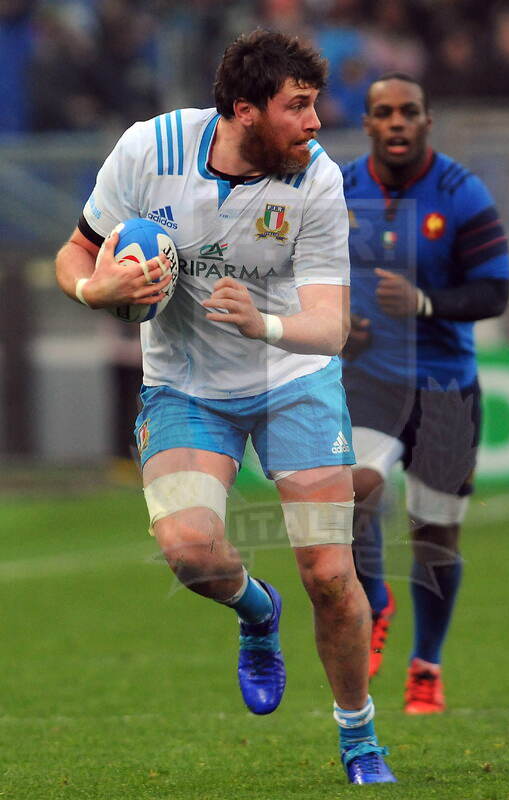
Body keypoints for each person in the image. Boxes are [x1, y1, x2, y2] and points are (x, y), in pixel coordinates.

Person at [55, 30, 395, 785]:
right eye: (297, 106)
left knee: (329, 573)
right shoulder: (150, 150)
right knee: (189, 552)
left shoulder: (316, 179)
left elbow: (330, 327)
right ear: (245, 110)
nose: (315, 122)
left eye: (314, 105)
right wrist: (94, 288)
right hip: (185, 384)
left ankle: (359, 736)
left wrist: (261, 324)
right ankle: (257, 611)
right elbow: (75, 251)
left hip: (294, 378)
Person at [341, 72, 509, 713]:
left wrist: (425, 302)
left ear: (426, 121)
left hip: (446, 389)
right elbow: (310, 273)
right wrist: (341, 326)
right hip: (371, 380)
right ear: (368, 123)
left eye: (408, 111)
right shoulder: (340, 189)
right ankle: (374, 603)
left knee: (435, 536)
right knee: (354, 489)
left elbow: (494, 291)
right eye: (384, 112)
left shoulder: (462, 194)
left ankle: (427, 665)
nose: (397, 122)